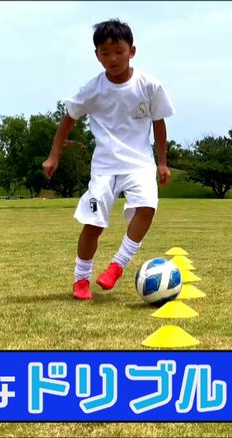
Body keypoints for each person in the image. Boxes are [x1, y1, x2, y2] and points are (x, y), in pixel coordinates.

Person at [42, 18, 175, 300]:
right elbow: (68, 120)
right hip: (104, 167)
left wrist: (162, 162)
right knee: (94, 225)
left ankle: (117, 266)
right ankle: (81, 279)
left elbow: (159, 122)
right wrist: (54, 155)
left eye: (119, 52)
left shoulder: (149, 85)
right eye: (105, 53)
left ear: (132, 51)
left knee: (147, 208)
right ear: (97, 55)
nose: (113, 59)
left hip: (139, 163)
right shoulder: (93, 89)